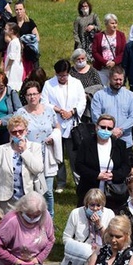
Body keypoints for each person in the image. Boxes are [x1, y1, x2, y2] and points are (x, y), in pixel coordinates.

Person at [15, 81, 61, 217]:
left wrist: (54, 137)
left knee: (47, 190)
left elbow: (57, 127)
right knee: (30, 189)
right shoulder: (21, 113)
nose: (32, 97)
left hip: (46, 155)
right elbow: (15, 133)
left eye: (34, 94)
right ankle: (30, 217)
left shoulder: (49, 110)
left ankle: (49, 218)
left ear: (40, 95)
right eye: (29, 95)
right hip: (29, 155)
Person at [43, 59, 88, 191]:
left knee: (74, 155)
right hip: (56, 123)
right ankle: (61, 181)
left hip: (72, 124)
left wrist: (72, 112)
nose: (62, 78)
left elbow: (82, 101)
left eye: (64, 75)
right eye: (59, 75)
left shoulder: (76, 83)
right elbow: (45, 102)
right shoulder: (48, 84)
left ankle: (78, 181)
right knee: (58, 154)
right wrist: (58, 110)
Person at [74, 114, 130, 213]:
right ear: (96, 127)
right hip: (89, 189)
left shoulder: (120, 145)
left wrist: (113, 175)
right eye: (103, 127)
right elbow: (79, 165)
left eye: (109, 128)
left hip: (113, 193)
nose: (105, 130)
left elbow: (126, 166)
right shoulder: (86, 143)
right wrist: (97, 175)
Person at [61, 189, 114, 265]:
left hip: (101, 256)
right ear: (86, 204)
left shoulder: (109, 214)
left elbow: (111, 240)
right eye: (92, 205)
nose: (95, 209)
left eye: (98, 205)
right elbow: (66, 238)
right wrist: (81, 248)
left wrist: (99, 225)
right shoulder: (76, 213)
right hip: (81, 257)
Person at [0, 116, 45, 213]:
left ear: (26, 131)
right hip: (6, 200)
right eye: (13, 132)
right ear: (9, 133)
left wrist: (24, 151)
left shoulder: (35, 147)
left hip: (28, 198)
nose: (17, 134)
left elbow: (38, 169)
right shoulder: (2, 149)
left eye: (20, 131)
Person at [91, 66, 133, 149]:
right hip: (105, 140)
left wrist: (121, 129)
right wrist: (110, 130)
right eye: (116, 79)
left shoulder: (130, 96)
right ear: (109, 78)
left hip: (125, 141)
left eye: (121, 80)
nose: (118, 82)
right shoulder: (99, 95)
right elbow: (96, 116)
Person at [92, 13, 127, 86]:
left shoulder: (121, 35)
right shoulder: (98, 36)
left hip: (116, 68)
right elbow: (94, 52)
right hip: (102, 69)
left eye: (116, 23)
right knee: (102, 88)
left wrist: (114, 62)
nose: (115, 25)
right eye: (112, 23)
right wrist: (105, 62)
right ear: (106, 24)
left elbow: (123, 52)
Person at [69, 48, 103, 122]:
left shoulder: (92, 71)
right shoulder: (71, 72)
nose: (81, 61)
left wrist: (88, 93)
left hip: (91, 103)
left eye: (82, 58)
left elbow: (100, 86)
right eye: (78, 59)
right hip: (76, 103)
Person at [13, 3, 40, 76]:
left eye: (20, 9)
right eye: (17, 10)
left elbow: (37, 37)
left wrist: (29, 43)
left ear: (24, 10)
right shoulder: (12, 21)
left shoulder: (29, 22)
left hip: (28, 50)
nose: (19, 12)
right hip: (16, 49)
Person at [3, 22, 24, 92]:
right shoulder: (14, 41)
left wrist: (6, 70)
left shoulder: (14, 42)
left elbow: (12, 58)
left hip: (13, 68)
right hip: (14, 67)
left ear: (11, 31)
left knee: (11, 87)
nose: (4, 31)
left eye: (6, 29)